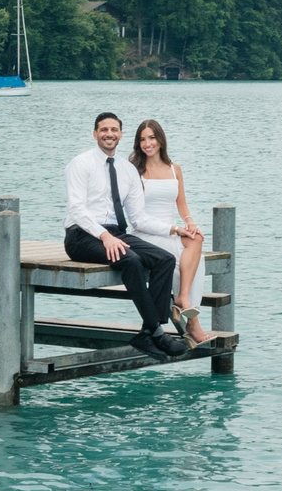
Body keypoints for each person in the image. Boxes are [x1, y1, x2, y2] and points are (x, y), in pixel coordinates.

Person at [62, 111, 188, 359]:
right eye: (104, 129)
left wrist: (172, 229)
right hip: (81, 235)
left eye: (114, 130)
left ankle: (148, 331)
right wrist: (103, 236)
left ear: (120, 135)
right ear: (95, 134)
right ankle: (157, 332)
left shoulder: (127, 169)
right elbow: (76, 210)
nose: (109, 134)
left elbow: (138, 218)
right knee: (131, 260)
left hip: (116, 232)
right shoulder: (80, 163)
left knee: (165, 259)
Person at [129, 118, 213, 345]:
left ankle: (183, 298)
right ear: (138, 144)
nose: (147, 143)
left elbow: (182, 203)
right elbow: (136, 216)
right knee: (183, 264)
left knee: (196, 241)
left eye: (152, 138)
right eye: (142, 139)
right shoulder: (135, 171)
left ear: (160, 139)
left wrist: (189, 222)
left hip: (172, 228)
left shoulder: (175, 169)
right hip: (146, 232)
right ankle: (193, 324)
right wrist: (175, 229)